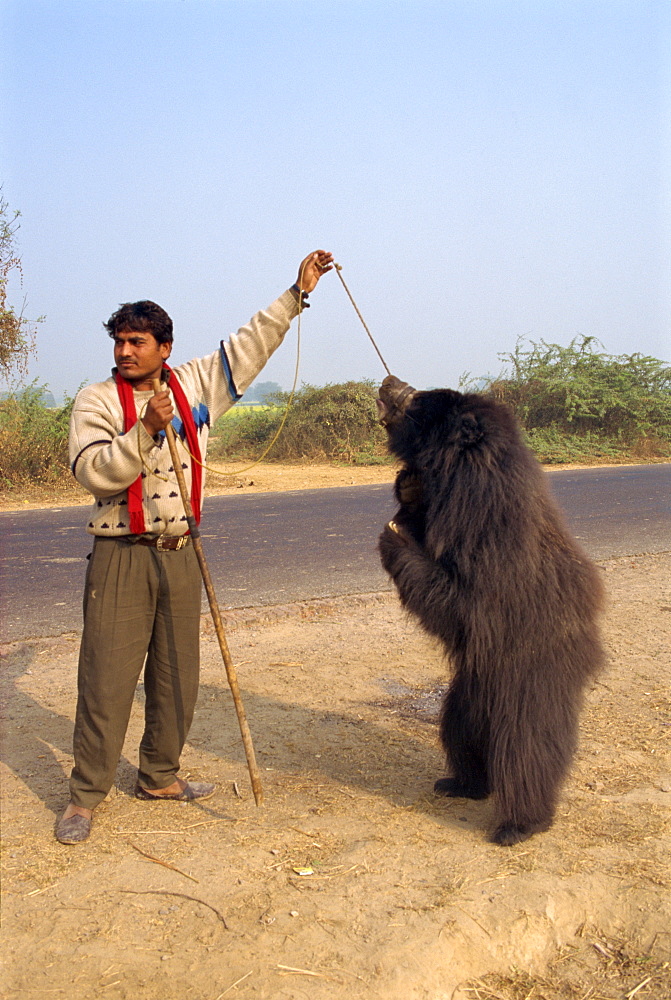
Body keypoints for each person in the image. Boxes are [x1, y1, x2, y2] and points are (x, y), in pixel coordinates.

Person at [56, 250, 333, 845]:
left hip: (182, 551)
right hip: (121, 553)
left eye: (137, 342)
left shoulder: (196, 383)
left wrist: (297, 292)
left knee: (179, 674)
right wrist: (147, 430)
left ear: (165, 348)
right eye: (119, 342)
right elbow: (96, 474)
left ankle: (160, 776)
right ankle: (84, 798)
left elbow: (248, 346)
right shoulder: (95, 402)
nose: (125, 352)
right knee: (105, 679)